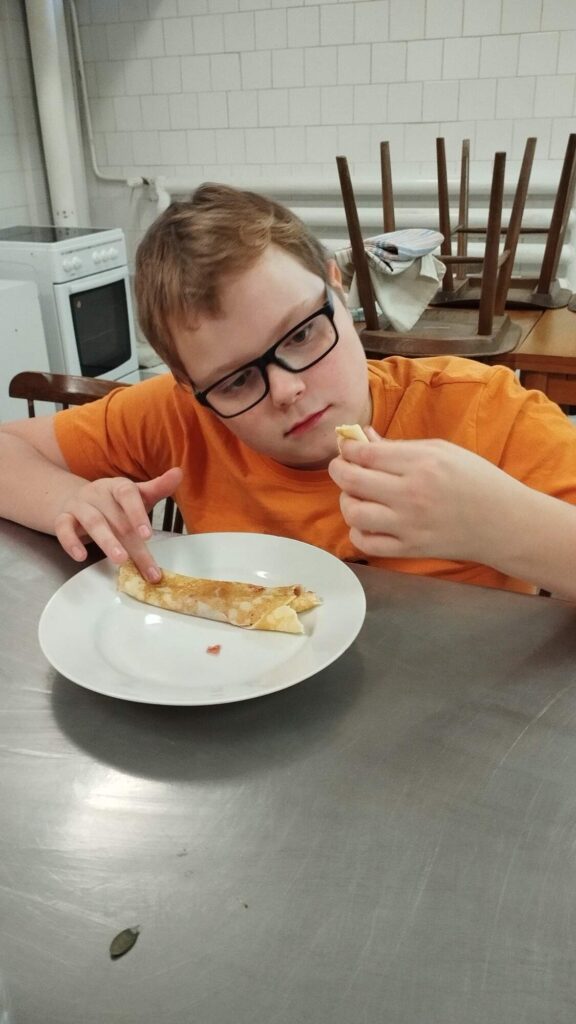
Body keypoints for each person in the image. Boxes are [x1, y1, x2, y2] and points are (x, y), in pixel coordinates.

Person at [1, 183, 576, 601]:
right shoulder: (180, 416)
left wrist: (500, 524)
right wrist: (65, 500)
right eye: (236, 380)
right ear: (190, 387)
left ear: (336, 284)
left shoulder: (482, 408)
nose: (287, 389)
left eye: (301, 334)